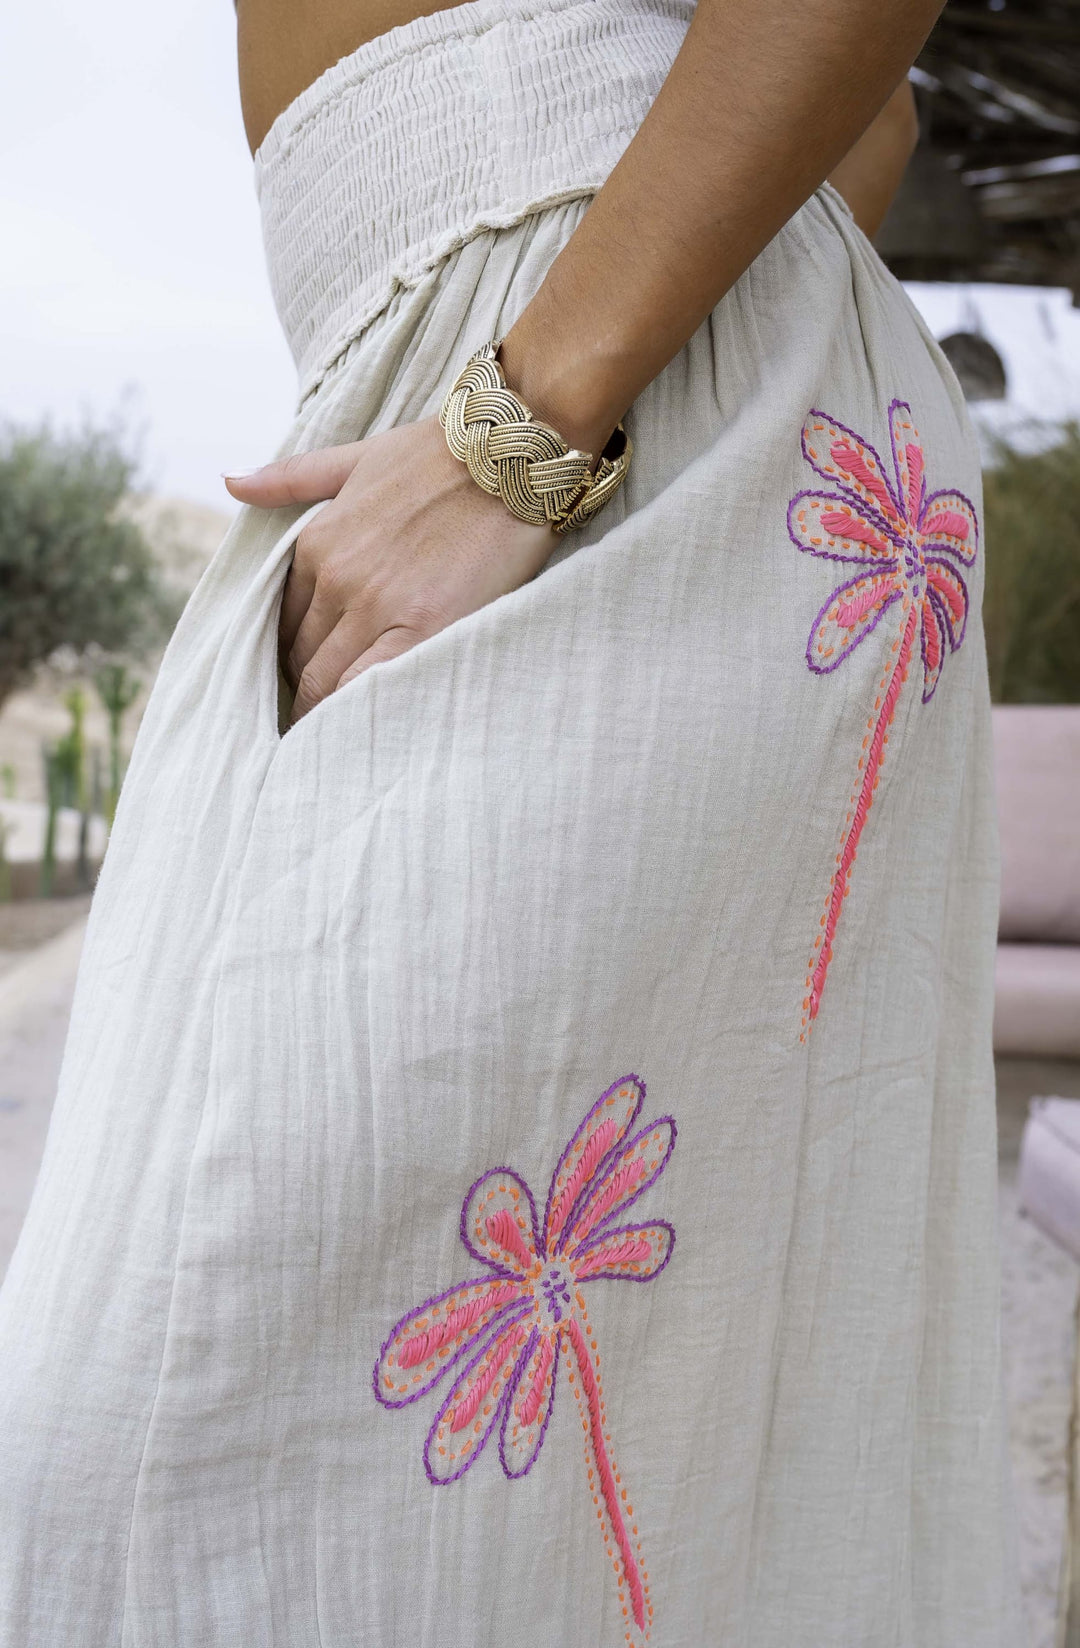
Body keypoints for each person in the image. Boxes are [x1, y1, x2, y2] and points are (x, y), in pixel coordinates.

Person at [0, 0, 1019, 1642]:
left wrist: (530, 416)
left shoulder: (540, 403)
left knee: (156, 1439)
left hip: (570, 417)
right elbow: (876, 125)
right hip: (602, 385)